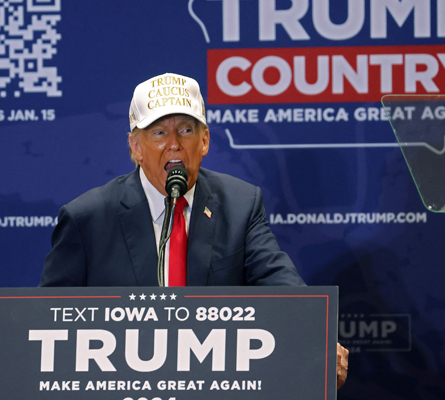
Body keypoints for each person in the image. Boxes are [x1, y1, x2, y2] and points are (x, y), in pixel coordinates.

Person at [40, 72, 348, 388]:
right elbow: (48, 319)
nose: (174, 144)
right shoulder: (88, 218)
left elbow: (279, 281)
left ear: (204, 141)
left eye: (186, 130)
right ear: (136, 147)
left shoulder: (240, 204)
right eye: (158, 132)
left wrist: (315, 336)